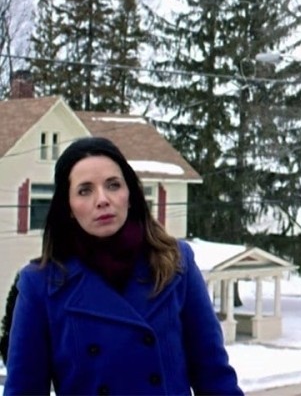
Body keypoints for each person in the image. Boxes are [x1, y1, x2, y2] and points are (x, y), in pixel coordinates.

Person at [3, 136, 243, 396]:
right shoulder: (41, 284)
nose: (102, 199)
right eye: (85, 190)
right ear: (68, 207)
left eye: (113, 185)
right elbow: (23, 390)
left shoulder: (176, 263)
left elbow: (215, 377)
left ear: (130, 194)